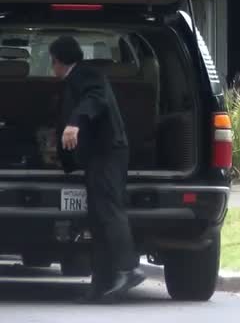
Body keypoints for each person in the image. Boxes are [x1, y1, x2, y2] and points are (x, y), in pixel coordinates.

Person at [50, 36, 145, 302]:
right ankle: (101, 284)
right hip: (96, 157)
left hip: (108, 153)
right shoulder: (74, 79)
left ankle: (129, 268)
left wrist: (75, 123)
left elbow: (96, 98)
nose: (52, 68)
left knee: (109, 209)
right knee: (97, 218)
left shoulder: (87, 74)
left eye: (52, 62)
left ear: (58, 60)